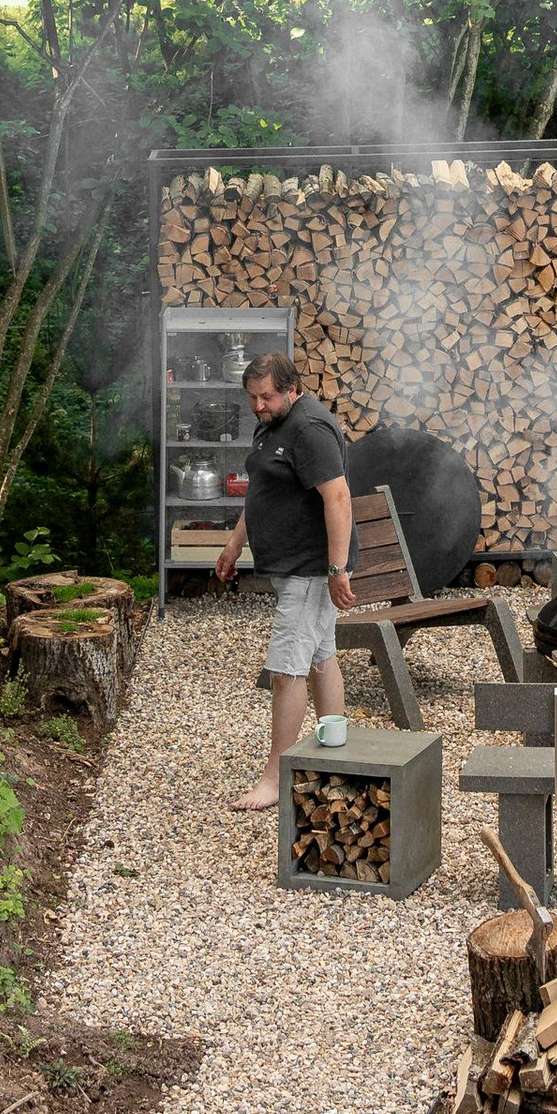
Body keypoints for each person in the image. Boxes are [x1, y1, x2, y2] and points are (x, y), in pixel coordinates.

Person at [214, 347, 355, 811]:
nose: (258, 405)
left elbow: (337, 498)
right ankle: (335, 745)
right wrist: (235, 545)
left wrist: (336, 569)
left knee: (285, 670)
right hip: (297, 566)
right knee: (320, 654)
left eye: (267, 397)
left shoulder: (309, 430)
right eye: (253, 397)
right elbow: (261, 493)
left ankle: (275, 777)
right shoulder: (273, 423)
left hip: (310, 569)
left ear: (293, 389)